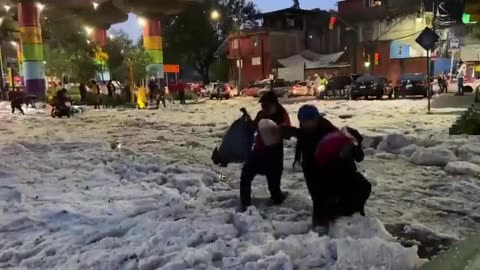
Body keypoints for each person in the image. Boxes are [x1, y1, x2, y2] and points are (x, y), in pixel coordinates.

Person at [291, 105, 370, 229]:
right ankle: (324, 225)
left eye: (309, 121)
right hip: (314, 173)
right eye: (303, 122)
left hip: (339, 170)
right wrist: (297, 158)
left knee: (362, 187)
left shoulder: (329, 131)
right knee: (321, 211)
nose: (306, 124)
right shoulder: (304, 134)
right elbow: (301, 146)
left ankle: (351, 216)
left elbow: (357, 156)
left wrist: (353, 148)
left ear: (317, 119)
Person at [240, 91, 291, 211]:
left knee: (274, 186)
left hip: (274, 153)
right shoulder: (261, 114)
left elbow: (288, 133)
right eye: (262, 106)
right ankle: (245, 203)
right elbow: (254, 127)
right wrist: (246, 116)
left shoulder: (282, 115)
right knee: (246, 175)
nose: (264, 108)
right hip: (259, 150)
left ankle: (278, 201)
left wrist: (279, 129)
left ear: (274, 105)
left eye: (266, 106)